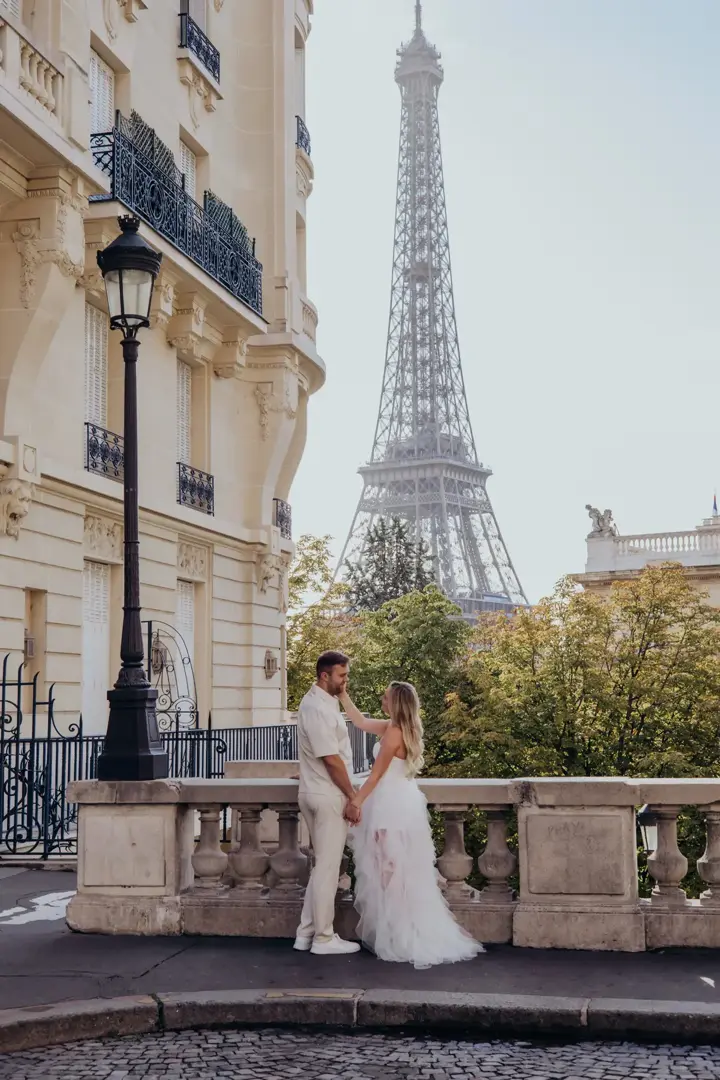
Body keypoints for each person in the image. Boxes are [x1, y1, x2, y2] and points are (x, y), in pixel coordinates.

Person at [340, 681, 483, 969]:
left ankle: (398, 933)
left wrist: (355, 802)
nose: (382, 699)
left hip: (389, 806)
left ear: (396, 702)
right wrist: (342, 694)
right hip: (403, 802)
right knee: (398, 871)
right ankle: (398, 930)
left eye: (387, 696)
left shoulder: (393, 733)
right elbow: (360, 721)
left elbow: (376, 775)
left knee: (389, 872)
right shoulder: (400, 728)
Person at [294, 650, 361, 956]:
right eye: (342, 676)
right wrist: (353, 796)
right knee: (327, 870)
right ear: (325, 676)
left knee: (322, 867)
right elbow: (332, 760)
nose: (346, 681)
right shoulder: (317, 708)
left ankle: (305, 933)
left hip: (313, 792)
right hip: (327, 795)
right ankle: (323, 938)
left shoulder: (319, 702)